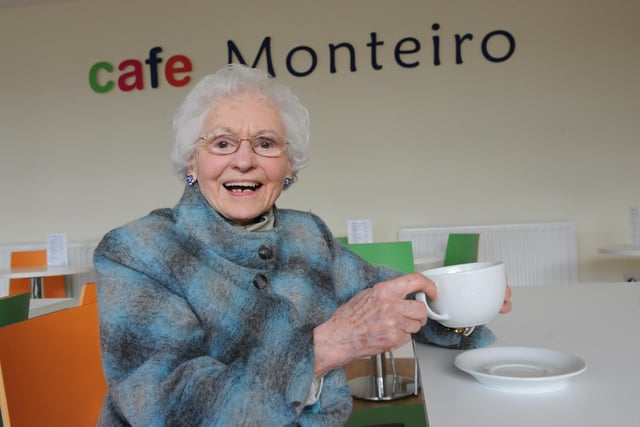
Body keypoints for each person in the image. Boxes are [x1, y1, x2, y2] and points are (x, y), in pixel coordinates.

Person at [94, 64, 512, 426]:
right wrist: (328, 347)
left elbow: (385, 293)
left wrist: (459, 307)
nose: (244, 160)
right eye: (222, 143)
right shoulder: (137, 250)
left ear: (288, 167)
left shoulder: (306, 234)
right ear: (192, 162)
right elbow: (165, 408)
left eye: (266, 143)